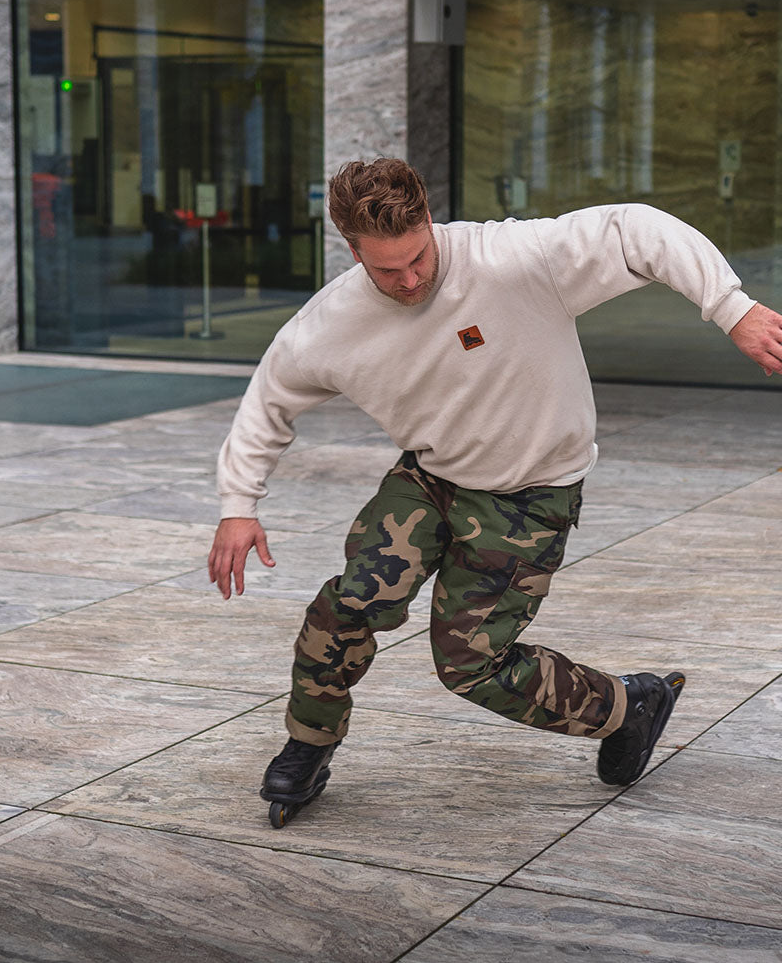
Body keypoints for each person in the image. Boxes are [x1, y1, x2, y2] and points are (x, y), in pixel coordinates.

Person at [207, 158, 782, 812]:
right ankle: (308, 744)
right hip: (430, 478)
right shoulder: (331, 323)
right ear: (352, 249)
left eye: (418, 258)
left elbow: (637, 229)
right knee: (349, 605)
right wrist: (238, 506)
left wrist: (732, 308)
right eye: (387, 270)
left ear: (429, 220)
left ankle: (629, 706)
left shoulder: (512, 258)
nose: (410, 280)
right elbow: (268, 400)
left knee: (469, 665)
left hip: (530, 494)